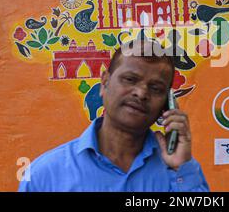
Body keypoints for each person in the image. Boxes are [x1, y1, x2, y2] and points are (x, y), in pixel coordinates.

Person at [18, 38, 209, 191]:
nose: (141, 93)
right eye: (130, 79)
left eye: (156, 88)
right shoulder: (45, 175)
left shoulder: (181, 173)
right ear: (104, 83)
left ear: (166, 105)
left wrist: (181, 167)